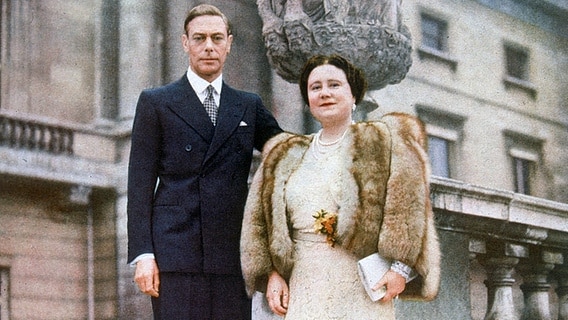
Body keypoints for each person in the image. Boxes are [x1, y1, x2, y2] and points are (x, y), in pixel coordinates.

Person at [240, 54, 440, 319]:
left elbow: (407, 206)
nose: (325, 93)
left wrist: (400, 269)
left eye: (334, 85)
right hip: (303, 283)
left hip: (362, 281)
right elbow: (259, 222)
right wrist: (271, 275)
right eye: (315, 87)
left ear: (354, 94)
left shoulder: (382, 142)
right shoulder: (285, 153)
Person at [127, 4, 282, 319]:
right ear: (185, 43)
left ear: (229, 43)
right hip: (175, 256)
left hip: (233, 254)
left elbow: (284, 153)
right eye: (199, 38)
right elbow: (139, 184)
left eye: (216, 38)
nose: (208, 47)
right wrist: (144, 254)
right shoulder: (157, 102)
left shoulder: (248, 106)